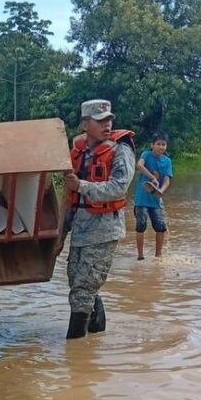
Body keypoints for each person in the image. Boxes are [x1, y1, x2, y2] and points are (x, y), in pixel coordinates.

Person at [63, 99, 136, 340]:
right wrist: (60, 234)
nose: (107, 124)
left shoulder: (120, 149)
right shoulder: (78, 152)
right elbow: (69, 196)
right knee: (76, 281)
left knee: (84, 288)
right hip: (81, 227)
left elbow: (118, 187)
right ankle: (96, 334)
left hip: (105, 228)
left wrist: (81, 185)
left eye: (109, 120)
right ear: (85, 124)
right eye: (100, 120)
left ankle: (74, 351)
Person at [133, 131, 173, 260]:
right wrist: (152, 177)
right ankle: (140, 256)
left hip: (155, 199)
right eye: (158, 144)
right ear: (152, 145)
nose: (161, 147)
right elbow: (139, 165)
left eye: (164, 144)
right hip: (141, 199)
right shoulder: (146, 155)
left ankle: (158, 255)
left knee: (160, 228)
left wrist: (161, 190)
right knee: (141, 226)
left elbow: (167, 179)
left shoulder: (167, 161)